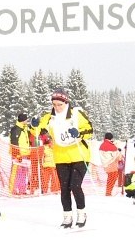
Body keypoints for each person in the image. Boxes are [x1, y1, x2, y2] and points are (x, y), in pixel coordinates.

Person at [33, 88, 93, 228]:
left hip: (79, 155)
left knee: (75, 185)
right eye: (54, 104)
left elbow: (90, 129)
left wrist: (79, 133)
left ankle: (81, 213)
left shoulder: (76, 113)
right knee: (64, 188)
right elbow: (39, 130)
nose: (57, 107)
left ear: (66, 102)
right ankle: (67, 217)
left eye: (60, 104)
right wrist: (35, 125)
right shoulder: (48, 117)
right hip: (61, 157)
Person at [9, 113, 31, 195]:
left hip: (25, 154)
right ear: (23, 120)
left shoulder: (24, 129)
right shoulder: (16, 129)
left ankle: (22, 189)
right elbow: (14, 142)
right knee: (17, 172)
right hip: (18, 154)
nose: (27, 121)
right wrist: (17, 154)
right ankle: (14, 189)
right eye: (26, 120)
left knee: (23, 172)